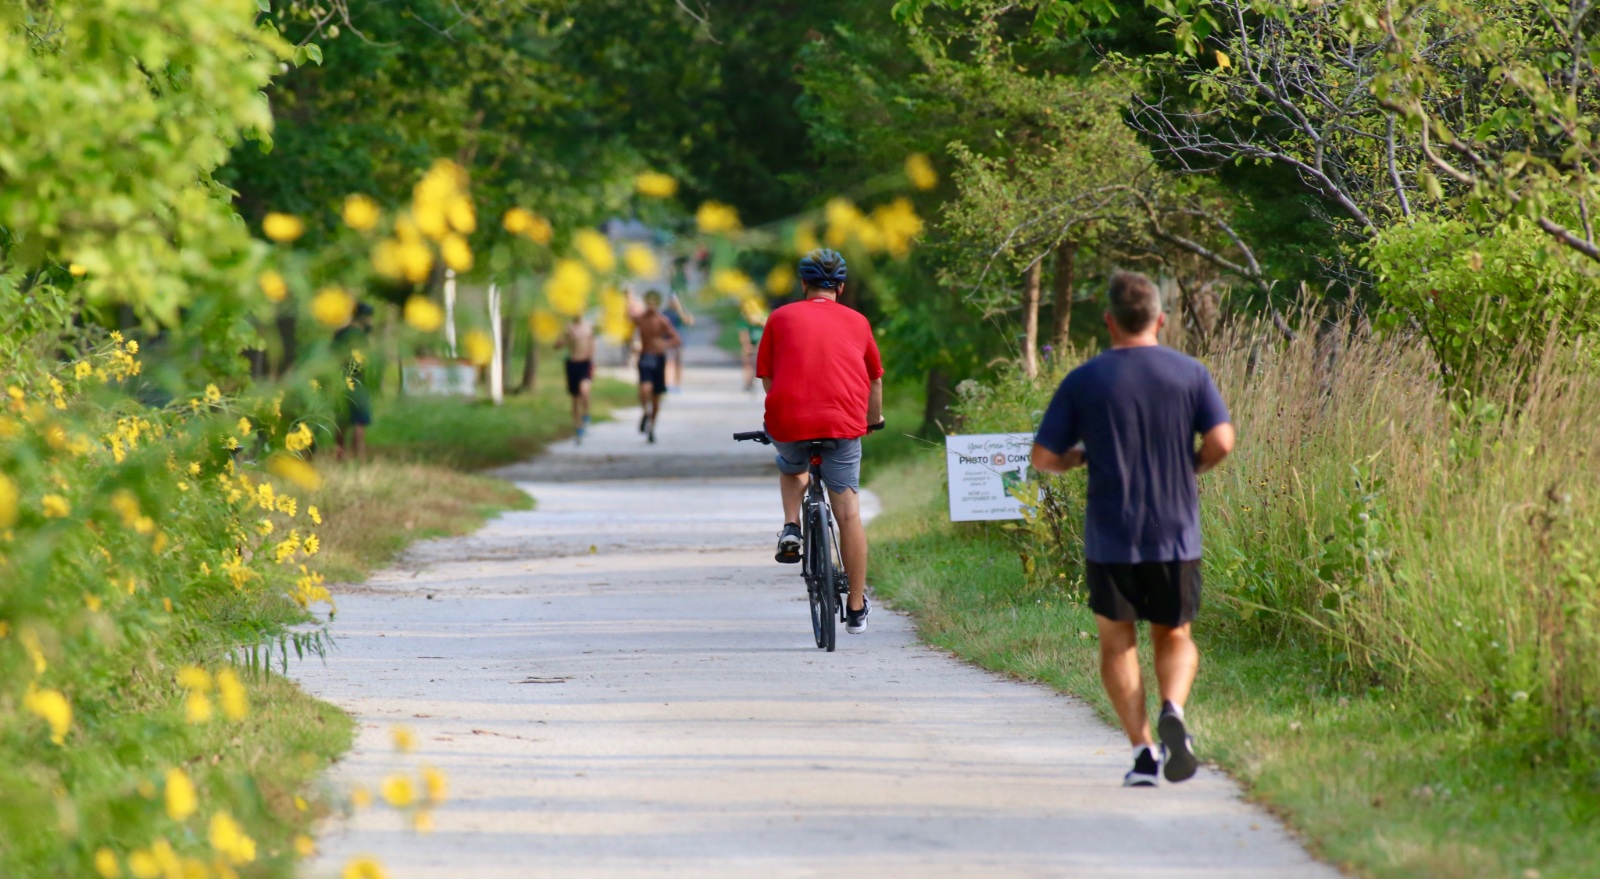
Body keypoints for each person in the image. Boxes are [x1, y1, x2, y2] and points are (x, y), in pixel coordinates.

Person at [1030, 270, 1235, 787]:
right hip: (1175, 530)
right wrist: (1192, 467)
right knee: (1176, 632)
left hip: (1111, 532)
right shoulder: (1190, 373)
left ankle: (1144, 752)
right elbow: (1223, 441)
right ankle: (1174, 708)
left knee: (1117, 643)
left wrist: (1078, 459)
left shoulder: (1084, 380)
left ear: (1108, 321)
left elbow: (1043, 456)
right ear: (1160, 320)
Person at [757, 249, 884, 634]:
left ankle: (792, 525)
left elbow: (766, 377)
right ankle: (857, 607)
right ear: (840, 288)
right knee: (848, 514)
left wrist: (782, 412)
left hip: (788, 419)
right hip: (843, 424)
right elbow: (875, 379)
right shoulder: (858, 321)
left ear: (802, 285)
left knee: (792, 467)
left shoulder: (779, 318)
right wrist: (872, 420)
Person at [632, 290, 681, 443]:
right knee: (644, 389)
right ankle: (645, 413)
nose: (651, 305)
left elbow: (676, 339)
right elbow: (628, 325)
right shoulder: (640, 319)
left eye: (654, 302)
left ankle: (652, 427)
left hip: (658, 358)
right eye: (648, 302)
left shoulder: (662, 320)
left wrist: (664, 344)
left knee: (656, 397)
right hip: (645, 356)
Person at [333, 301, 376, 461]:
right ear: (364, 317)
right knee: (359, 421)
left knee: (342, 421)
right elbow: (368, 361)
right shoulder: (362, 336)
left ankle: (340, 454)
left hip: (340, 379)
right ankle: (359, 456)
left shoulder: (340, 334)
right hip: (358, 381)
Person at [556, 313, 596, 444]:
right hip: (572, 364)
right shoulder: (567, 328)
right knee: (575, 399)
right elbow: (557, 345)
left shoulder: (589, 327)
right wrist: (568, 340)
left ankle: (586, 415)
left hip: (585, 363)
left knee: (584, 391)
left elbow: (592, 345)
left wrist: (592, 363)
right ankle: (578, 428)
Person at [663, 292, 696, 392]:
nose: (673, 303)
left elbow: (690, 322)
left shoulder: (681, 313)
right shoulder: (665, 313)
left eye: (675, 301)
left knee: (678, 363)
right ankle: (667, 384)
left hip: (680, 341)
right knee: (668, 363)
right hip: (668, 341)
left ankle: (677, 385)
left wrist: (680, 309)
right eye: (672, 301)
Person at [737, 299, 767, 393]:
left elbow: (767, 329)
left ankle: (752, 382)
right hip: (751, 343)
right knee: (748, 364)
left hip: (760, 342)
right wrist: (746, 345)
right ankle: (748, 383)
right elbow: (743, 333)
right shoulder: (745, 318)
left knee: (754, 365)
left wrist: (760, 322)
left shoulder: (763, 316)